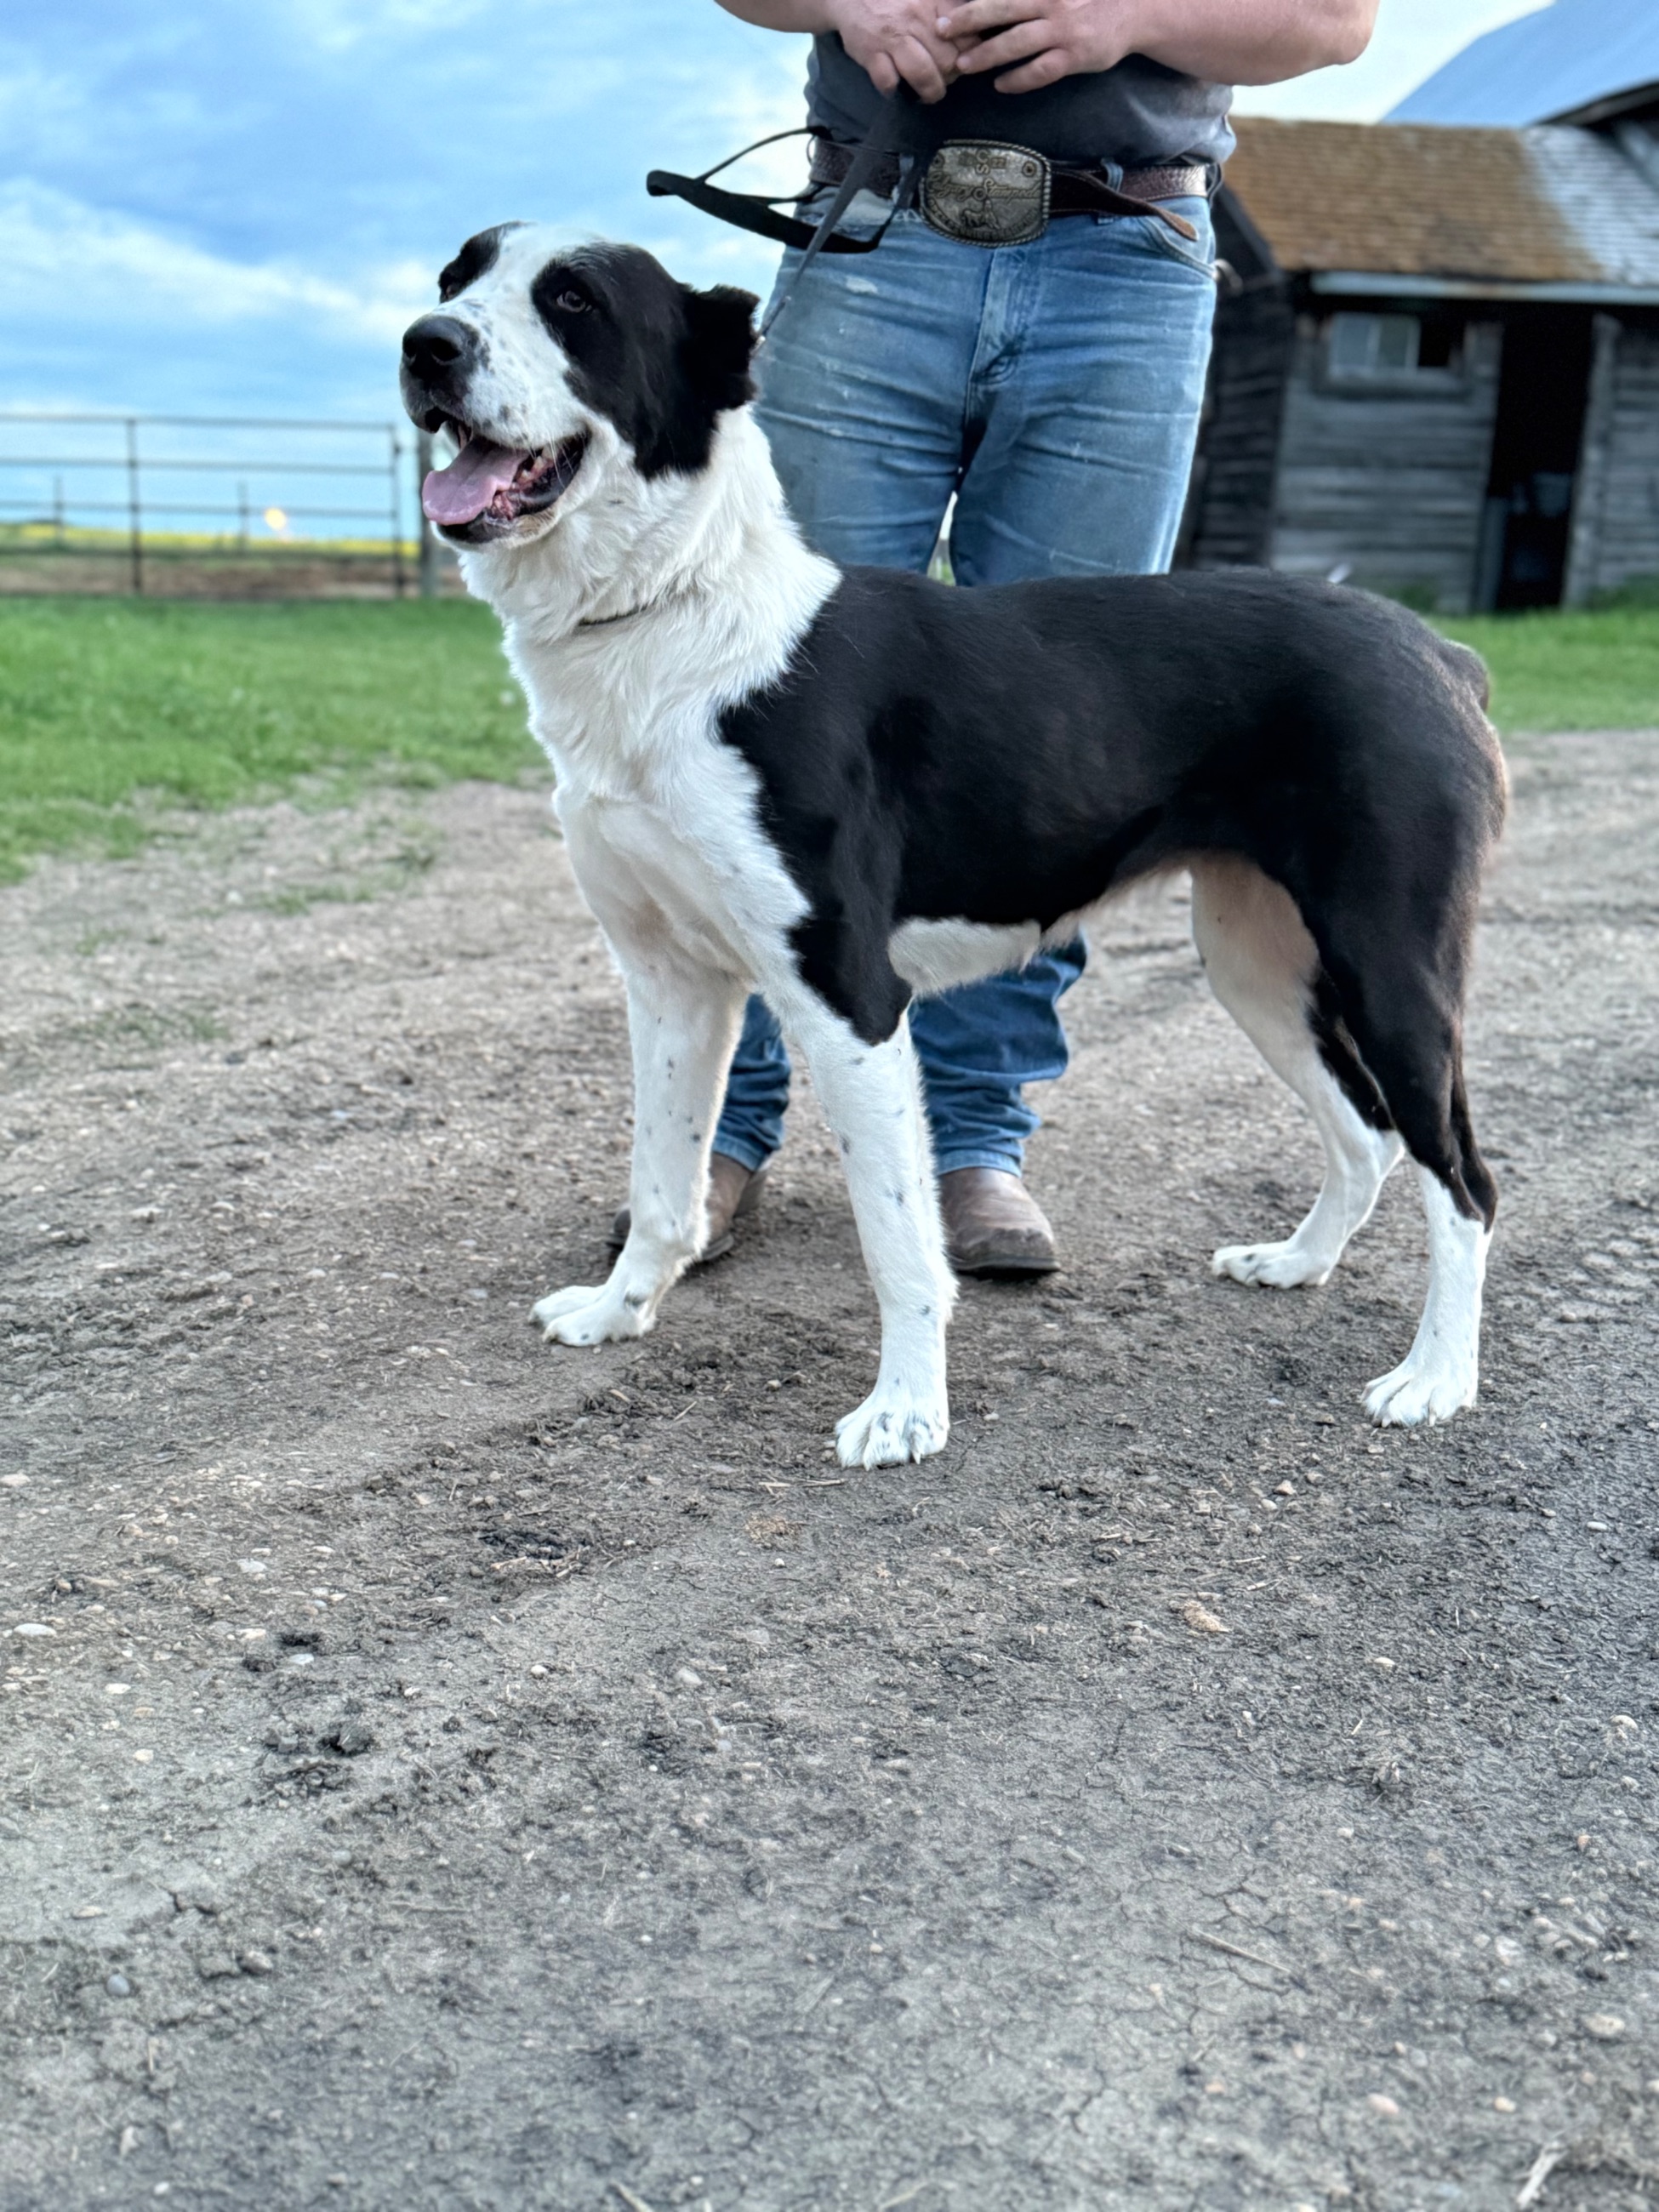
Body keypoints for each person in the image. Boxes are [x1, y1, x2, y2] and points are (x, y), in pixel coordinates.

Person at [633, 0, 1377, 1274]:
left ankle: (977, 1144)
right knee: (757, 724)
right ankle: (728, 1135)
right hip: (877, 237)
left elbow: (1335, 20)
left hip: (1126, 257)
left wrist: (1127, 18)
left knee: (1057, 741)